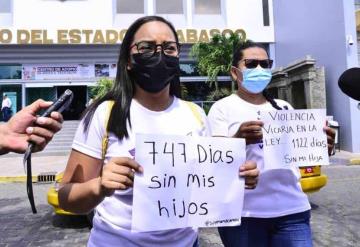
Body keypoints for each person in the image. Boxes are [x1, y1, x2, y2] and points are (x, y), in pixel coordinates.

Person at [58, 16, 259, 247]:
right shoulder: (105, 114)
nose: (159, 54)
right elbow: (67, 197)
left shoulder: (195, 114)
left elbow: (206, 182)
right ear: (129, 60)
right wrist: (100, 185)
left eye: (169, 48)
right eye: (146, 47)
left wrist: (235, 178)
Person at [207, 40, 335, 247]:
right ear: (234, 72)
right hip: (243, 214)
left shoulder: (284, 107)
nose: (259, 69)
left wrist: (322, 148)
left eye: (265, 64)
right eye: (250, 64)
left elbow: (301, 156)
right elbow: (212, 160)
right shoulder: (222, 109)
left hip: (292, 211)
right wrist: (238, 139)